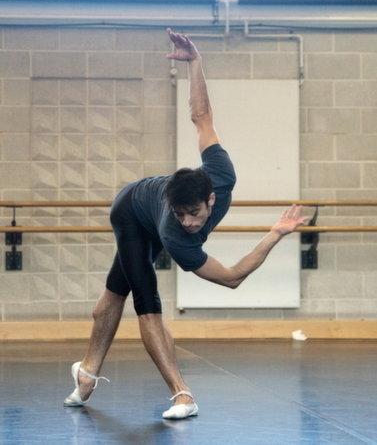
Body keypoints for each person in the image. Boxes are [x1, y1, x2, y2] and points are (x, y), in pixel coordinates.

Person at [64, 28, 308, 419]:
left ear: (211, 198)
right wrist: (176, 222)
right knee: (147, 305)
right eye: (181, 215)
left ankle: (87, 373)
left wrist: (195, 61)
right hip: (130, 213)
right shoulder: (175, 233)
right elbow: (225, 272)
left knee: (113, 295)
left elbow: (201, 117)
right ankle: (182, 394)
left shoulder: (220, 173)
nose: (189, 223)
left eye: (193, 213)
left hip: (149, 209)